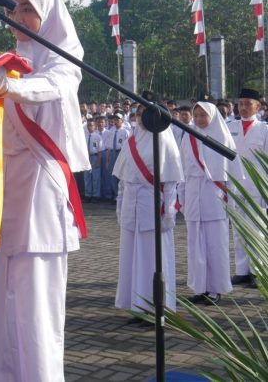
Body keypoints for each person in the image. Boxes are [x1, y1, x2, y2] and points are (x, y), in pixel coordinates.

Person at [0, 0, 90, 381]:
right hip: (0, 191)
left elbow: (49, 87)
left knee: (36, 312)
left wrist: (6, 86)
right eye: (13, 8)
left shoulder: (64, 60)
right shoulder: (6, 58)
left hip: (40, 191)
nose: (16, 18)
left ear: (50, 12)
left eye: (27, 9)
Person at [113, 95, 183, 320]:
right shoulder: (132, 138)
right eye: (140, 111)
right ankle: (137, 305)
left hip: (154, 207)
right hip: (132, 206)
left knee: (153, 259)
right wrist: (120, 205)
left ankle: (157, 307)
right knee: (132, 257)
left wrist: (169, 213)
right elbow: (123, 179)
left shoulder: (164, 139)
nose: (142, 116)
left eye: (146, 111)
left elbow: (171, 182)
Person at [179, 101, 235, 304]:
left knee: (215, 245)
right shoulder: (188, 136)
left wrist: (232, 199)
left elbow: (232, 173)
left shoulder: (222, 137)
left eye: (204, 115)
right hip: (194, 193)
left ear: (212, 116)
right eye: (197, 115)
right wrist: (182, 197)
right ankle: (199, 287)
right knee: (195, 245)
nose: (200, 119)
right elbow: (183, 170)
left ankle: (216, 288)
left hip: (215, 196)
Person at [227, 87, 268, 289]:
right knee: (238, 230)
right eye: (240, 103)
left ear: (258, 106)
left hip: (256, 187)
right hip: (235, 186)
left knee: (256, 230)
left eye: (247, 104)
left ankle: (257, 271)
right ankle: (241, 271)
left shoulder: (265, 130)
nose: (243, 107)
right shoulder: (230, 126)